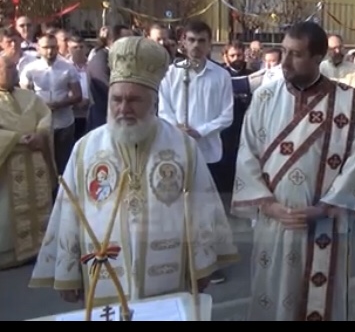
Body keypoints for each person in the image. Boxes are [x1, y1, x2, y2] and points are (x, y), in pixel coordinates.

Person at [28, 36, 238, 306]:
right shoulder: (86, 149)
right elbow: (70, 210)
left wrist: (203, 265)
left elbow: (201, 208)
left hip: (168, 276)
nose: (123, 109)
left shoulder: (182, 147)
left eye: (134, 100)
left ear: (153, 102)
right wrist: (68, 272)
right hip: (102, 273)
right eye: (116, 100)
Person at [232, 21, 355, 321]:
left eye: (295, 54)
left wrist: (323, 209)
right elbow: (247, 154)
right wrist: (269, 206)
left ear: (318, 57)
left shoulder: (348, 103)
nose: (284, 61)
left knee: (320, 301)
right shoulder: (264, 98)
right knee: (271, 299)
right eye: (283, 51)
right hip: (273, 223)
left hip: (323, 226)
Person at [158, 20, 234, 284]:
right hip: (176, 150)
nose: (196, 46)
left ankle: (208, 261)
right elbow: (163, 108)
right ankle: (179, 258)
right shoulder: (170, 74)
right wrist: (175, 127)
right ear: (182, 42)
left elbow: (227, 115)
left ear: (210, 43)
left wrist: (200, 130)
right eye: (191, 40)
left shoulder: (221, 76)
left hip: (207, 151)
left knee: (205, 208)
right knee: (176, 206)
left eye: (202, 40)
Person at [0, 56, 56, 270]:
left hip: (34, 160)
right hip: (7, 165)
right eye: (9, 67)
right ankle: (8, 253)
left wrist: (41, 134)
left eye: (15, 67)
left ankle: (38, 247)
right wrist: (15, 139)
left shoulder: (28, 96)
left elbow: (45, 115)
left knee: (37, 201)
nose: (15, 71)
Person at [21, 34, 82, 174]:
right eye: (46, 47)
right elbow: (24, 94)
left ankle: (63, 193)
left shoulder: (68, 68)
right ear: (38, 48)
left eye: (53, 47)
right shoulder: (30, 69)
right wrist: (40, 106)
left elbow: (77, 95)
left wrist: (58, 104)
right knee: (42, 162)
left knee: (64, 163)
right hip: (41, 124)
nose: (50, 51)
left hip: (64, 122)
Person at [220, 40, 252, 196]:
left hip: (245, 125)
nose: (237, 58)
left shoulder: (252, 75)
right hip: (224, 129)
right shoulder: (220, 75)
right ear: (225, 57)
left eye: (239, 55)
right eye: (232, 55)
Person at [87, 24, 133, 131]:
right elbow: (108, 89)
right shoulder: (101, 60)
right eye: (126, 39)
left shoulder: (120, 58)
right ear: (112, 40)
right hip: (103, 119)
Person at [67, 36, 90, 141]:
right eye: (75, 47)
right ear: (68, 49)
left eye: (81, 47)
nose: (79, 50)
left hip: (90, 113)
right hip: (72, 114)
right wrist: (76, 100)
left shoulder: (93, 65)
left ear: (86, 48)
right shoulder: (65, 67)